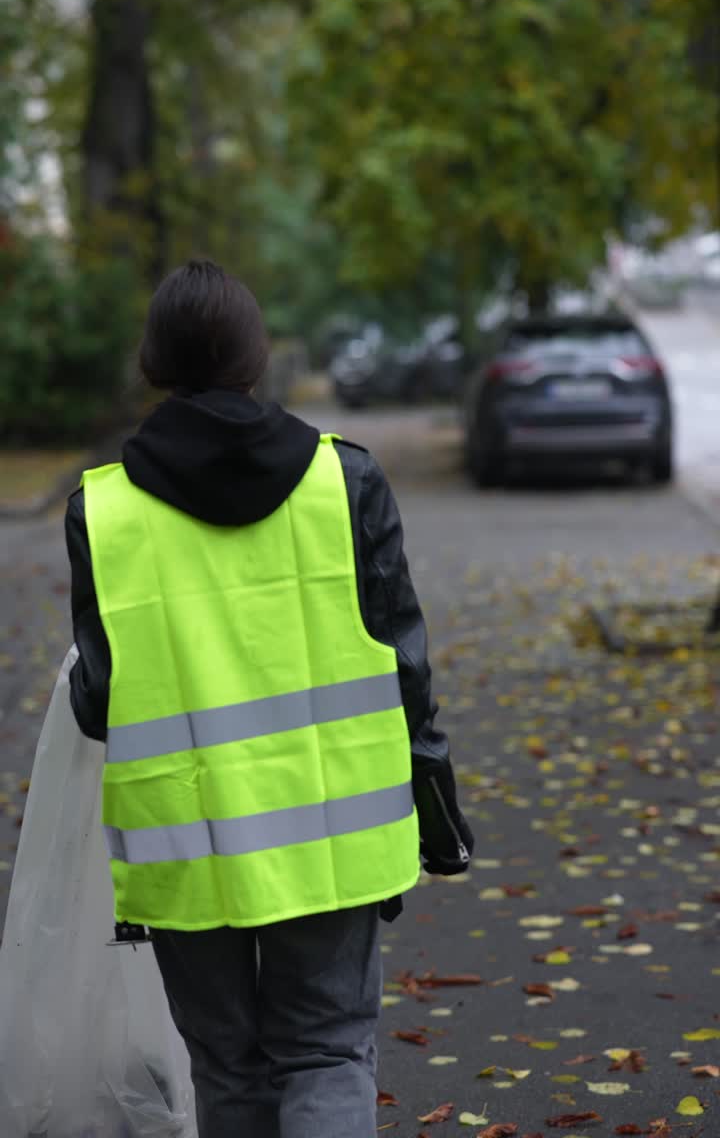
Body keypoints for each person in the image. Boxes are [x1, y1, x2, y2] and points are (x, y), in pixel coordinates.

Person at [65, 259, 474, 1138]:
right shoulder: (347, 482)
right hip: (336, 831)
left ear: (152, 365)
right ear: (257, 360)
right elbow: (406, 668)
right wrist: (437, 805)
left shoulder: (101, 513)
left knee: (228, 1065)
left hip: (187, 837)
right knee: (325, 1051)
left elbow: (99, 702)